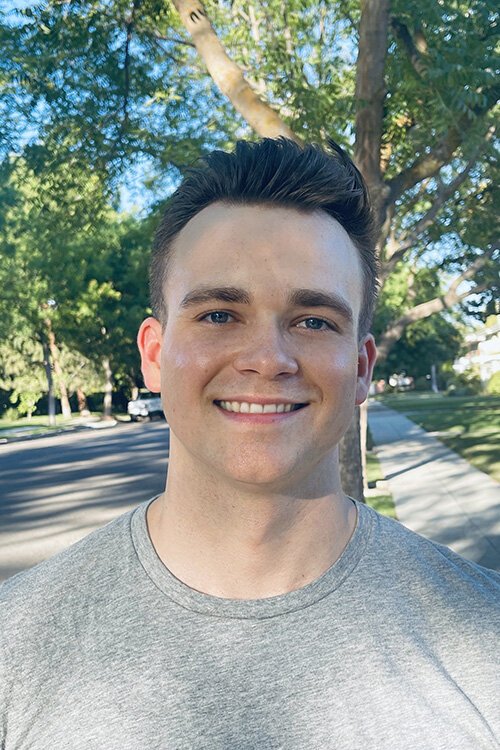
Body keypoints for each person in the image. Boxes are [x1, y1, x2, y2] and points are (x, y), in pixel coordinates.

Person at [1, 138, 499, 749]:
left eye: (314, 321)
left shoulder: (484, 642)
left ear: (361, 367)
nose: (268, 359)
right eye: (218, 315)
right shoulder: (15, 644)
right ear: (154, 355)